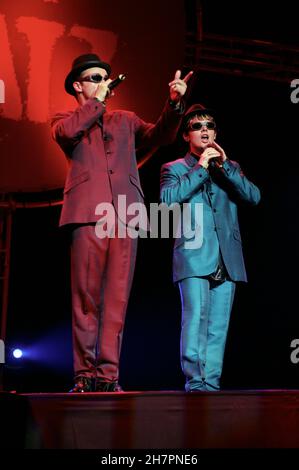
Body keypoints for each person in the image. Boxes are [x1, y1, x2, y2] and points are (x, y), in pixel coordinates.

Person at [51, 53, 192, 392]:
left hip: (125, 216)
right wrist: (95, 104)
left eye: (104, 78)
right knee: (86, 297)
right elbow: (67, 134)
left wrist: (174, 105)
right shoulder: (66, 118)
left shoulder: (125, 120)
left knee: (117, 298)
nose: (103, 84)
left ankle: (108, 375)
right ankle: (84, 375)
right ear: (78, 85)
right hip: (88, 214)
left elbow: (161, 136)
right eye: (95, 78)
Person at [160, 104, 261, 392]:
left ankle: (212, 384)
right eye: (197, 126)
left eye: (209, 125)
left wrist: (225, 166)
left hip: (227, 257)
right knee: (195, 321)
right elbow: (167, 201)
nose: (205, 130)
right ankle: (195, 382)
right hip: (193, 254)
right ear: (185, 135)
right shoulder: (174, 168)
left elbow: (254, 197)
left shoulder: (230, 167)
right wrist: (201, 166)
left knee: (218, 327)